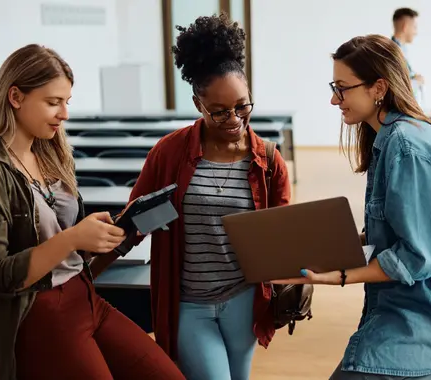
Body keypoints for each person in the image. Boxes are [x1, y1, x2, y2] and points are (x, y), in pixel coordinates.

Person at [0, 44, 185, 380]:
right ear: (15, 97)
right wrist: (73, 237)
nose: (65, 114)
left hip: (84, 298)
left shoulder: (48, 152)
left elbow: (61, 244)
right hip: (38, 315)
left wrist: (108, 235)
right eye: (53, 102)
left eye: (66, 102)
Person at [278, 34, 431, 379]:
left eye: (342, 88)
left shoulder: (408, 148)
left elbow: (418, 256)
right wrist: (327, 245)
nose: (334, 100)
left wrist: (339, 276)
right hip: (420, 303)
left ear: (378, 88)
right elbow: (396, 228)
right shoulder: (392, 137)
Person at [89, 14, 291, 380]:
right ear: (199, 104)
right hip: (188, 304)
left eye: (242, 106)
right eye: (219, 111)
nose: (234, 119)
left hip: (244, 300)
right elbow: (133, 224)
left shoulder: (269, 161)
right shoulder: (169, 153)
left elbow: (281, 236)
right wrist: (85, 275)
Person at [392, 8, 424, 104]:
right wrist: (417, 81)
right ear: (405, 27)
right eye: (414, 27)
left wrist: (414, 77)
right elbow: (397, 87)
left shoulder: (401, 49)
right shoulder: (393, 52)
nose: (416, 32)